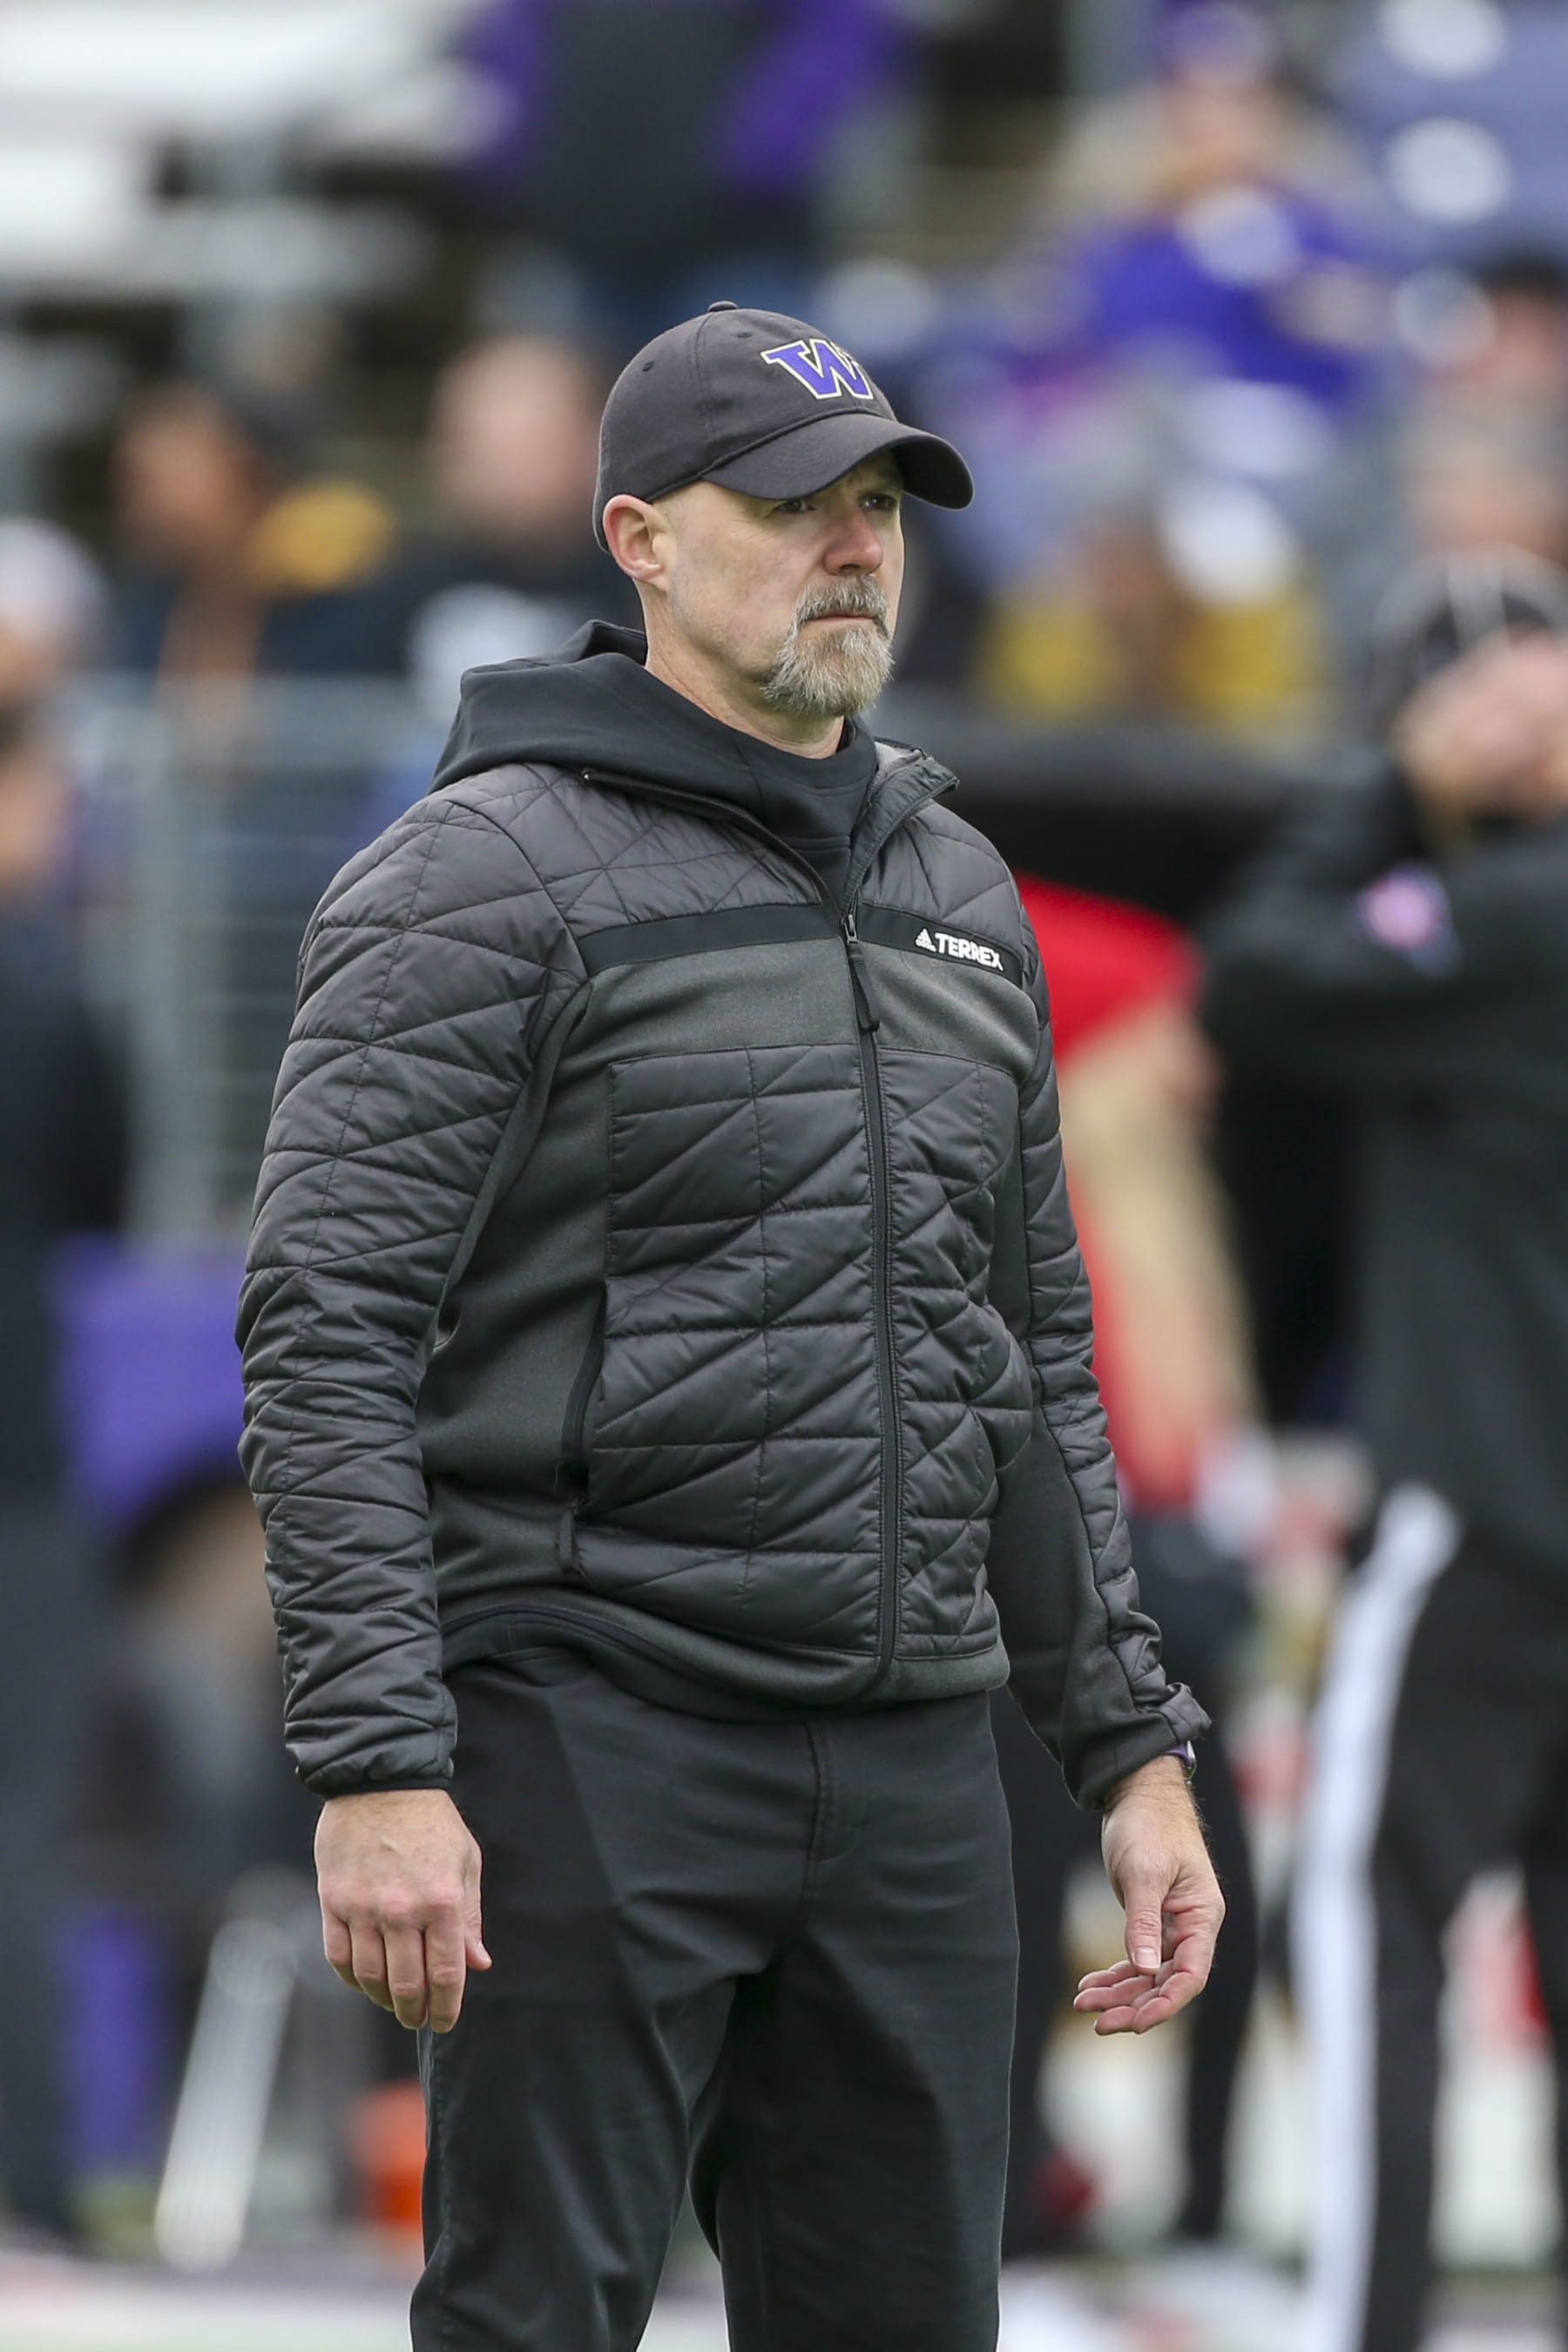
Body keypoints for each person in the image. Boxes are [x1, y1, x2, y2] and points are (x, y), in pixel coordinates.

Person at [236, 300, 1221, 2351]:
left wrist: (1128, 1745)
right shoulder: (475, 876)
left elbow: (1026, 1352)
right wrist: (378, 1762)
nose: (850, 545)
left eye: (877, 502)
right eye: (789, 504)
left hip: (919, 1768)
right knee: (538, 2325)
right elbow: (327, 1330)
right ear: (639, 541)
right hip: (592, 1732)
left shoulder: (960, 881)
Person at [1199, 571, 1568, 2352]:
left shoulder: (1503, 915)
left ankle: (1371, 2331)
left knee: (1367, 1927)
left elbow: (1256, 974)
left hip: (1490, 1515)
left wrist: (1401, 784)